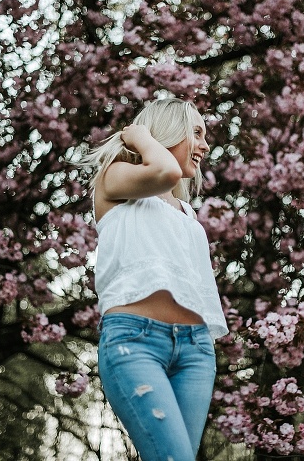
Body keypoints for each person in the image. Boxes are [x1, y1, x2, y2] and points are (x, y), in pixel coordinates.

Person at [82, 98, 229, 461]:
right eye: (196, 133)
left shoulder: (185, 211)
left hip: (195, 350)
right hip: (135, 342)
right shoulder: (114, 179)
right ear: (166, 131)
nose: (205, 146)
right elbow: (164, 170)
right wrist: (140, 137)